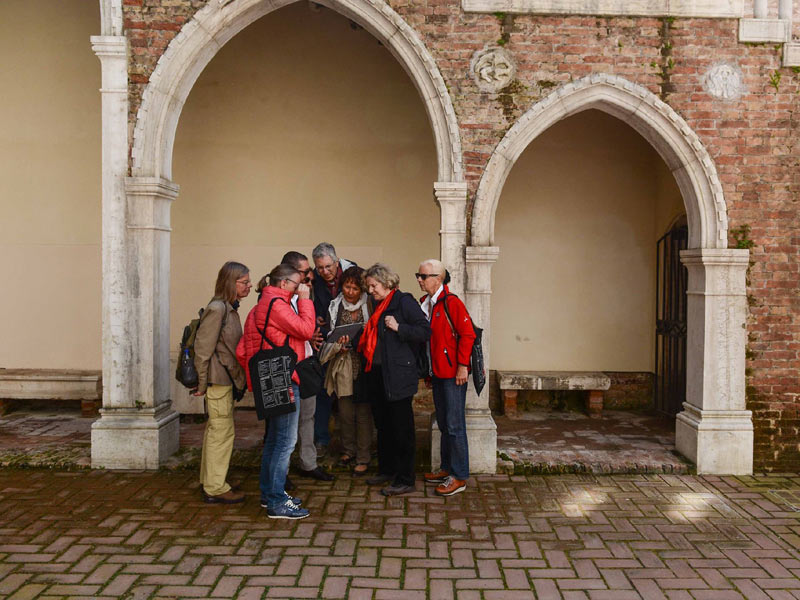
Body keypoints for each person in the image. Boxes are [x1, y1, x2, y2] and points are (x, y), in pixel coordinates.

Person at [237, 264, 315, 519]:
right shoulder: (277, 305)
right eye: (296, 284)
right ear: (283, 284)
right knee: (285, 441)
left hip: (270, 376)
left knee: (274, 440)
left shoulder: (262, 305)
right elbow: (306, 330)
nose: (299, 288)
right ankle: (276, 502)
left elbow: (242, 350)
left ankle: (269, 493)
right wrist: (305, 301)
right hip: (282, 376)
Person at [353, 263, 430, 496]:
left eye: (373, 286)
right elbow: (372, 334)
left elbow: (425, 331)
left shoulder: (403, 302)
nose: (371, 290)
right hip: (377, 373)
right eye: (369, 287)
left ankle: (406, 478)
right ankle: (387, 470)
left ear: (387, 283)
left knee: (401, 428)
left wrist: (399, 327)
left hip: (398, 374)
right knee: (384, 425)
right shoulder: (379, 305)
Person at [193, 261, 251, 504]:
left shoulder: (227, 308)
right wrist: (202, 383)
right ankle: (215, 488)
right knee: (221, 432)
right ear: (231, 282)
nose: (248, 286)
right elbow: (203, 349)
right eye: (244, 282)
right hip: (218, 380)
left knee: (216, 430)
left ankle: (210, 481)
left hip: (224, 379)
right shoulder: (218, 309)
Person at [417, 259, 476, 496]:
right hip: (438, 373)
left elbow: (468, 334)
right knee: (443, 423)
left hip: (453, 374)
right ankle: (445, 468)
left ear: (438, 278)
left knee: (454, 425)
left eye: (423, 276)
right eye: (418, 276)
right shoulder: (426, 303)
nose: (419, 280)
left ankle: (459, 476)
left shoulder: (451, 303)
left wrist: (462, 366)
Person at [280, 251, 335, 482]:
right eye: (305, 273)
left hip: (306, 365)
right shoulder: (280, 301)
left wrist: (311, 335)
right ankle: (280, 471)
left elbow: (304, 329)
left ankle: (308, 463)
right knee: (284, 425)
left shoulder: (304, 297)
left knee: (308, 417)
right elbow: (296, 329)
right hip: (288, 368)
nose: (310, 277)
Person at [319, 266, 373, 475]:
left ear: (362, 289)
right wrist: (337, 345)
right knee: (345, 412)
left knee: (363, 413)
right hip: (342, 364)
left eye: (354, 288)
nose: (350, 291)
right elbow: (330, 334)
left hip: (363, 363)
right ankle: (348, 450)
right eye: (346, 287)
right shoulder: (335, 306)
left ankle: (363, 455)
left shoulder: (369, 304)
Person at [311, 242, 356, 456]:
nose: (324, 272)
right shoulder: (313, 278)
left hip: (351, 342)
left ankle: (354, 443)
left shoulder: (353, 272)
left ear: (337, 262)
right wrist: (316, 321)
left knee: (352, 394)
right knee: (323, 391)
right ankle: (321, 439)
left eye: (328, 267)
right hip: (326, 343)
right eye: (320, 268)